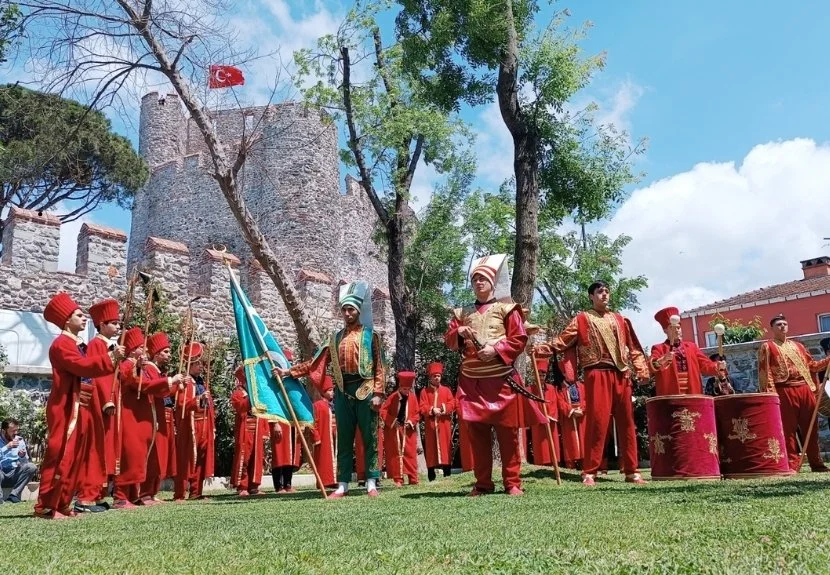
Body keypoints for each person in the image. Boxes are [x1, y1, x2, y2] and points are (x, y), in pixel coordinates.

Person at [534, 280, 650, 486]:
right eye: (599, 292)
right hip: (596, 373)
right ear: (591, 296)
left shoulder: (621, 319)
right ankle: (590, 471)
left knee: (627, 422)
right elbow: (562, 342)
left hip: (621, 373)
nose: (604, 295)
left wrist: (641, 369)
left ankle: (632, 471)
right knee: (597, 422)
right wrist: (539, 349)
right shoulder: (582, 319)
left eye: (606, 291)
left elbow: (633, 348)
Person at [277, 281, 386, 498]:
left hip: (366, 389)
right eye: (344, 310)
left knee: (370, 437)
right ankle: (343, 483)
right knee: (344, 438)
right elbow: (315, 363)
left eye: (351, 309)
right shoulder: (334, 339)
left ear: (357, 311)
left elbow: (380, 367)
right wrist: (289, 372)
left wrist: (378, 394)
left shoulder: (370, 335)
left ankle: (371, 482)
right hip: (343, 391)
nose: (347, 313)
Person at [35, 292, 124, 519]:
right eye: (79, 315)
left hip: (82, 405)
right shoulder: (61, 345)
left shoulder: (76, 344)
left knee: (76, 457)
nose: (84, 319)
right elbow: (82, 367)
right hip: (66, 406)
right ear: (66, 320)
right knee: (60, 454)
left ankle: (63, 504)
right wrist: (111, 359)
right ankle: (46, 506)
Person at [444, 254, 527, 496]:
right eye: (475, 280)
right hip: (472, 382)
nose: (479, 283)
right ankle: (482, 484)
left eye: (483, 279)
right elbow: (449, 341)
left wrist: (497, 349)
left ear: (492, 283)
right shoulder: (461, 312)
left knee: (508, 435)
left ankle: (512, 483)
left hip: (501, 380)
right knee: (477, 436)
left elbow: (519, 339)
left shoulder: (507, 309)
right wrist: (458, 331)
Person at [114, 328, 181, 508]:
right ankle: (121, 496)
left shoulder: (139, 365)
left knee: (138, 456)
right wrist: (169, 381)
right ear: (133, 348)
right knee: (130, 455)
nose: (145, 350)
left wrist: (172, 385)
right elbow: (137, 383)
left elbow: (152, 387)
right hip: (131, 416)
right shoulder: (128, 364)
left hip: (143, 416)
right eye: (141, 347)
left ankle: (134, 495)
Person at [758, 314, 830, 473]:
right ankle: (792, 464)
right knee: (788, 429)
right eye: (778, 325)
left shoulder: (799, 346)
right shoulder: (768, 346)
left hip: (805, 389)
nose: (782, 326)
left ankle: (816, 463)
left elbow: (812, 366)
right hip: (784, 389)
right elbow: (765, 372)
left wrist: (828, 360)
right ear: (772, 328)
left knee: (811, 427)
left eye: (784, 324)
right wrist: (771, 395)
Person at [75, 298, 120, 511]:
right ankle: (86, 495)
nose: (117, 326)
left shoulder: (112, 346)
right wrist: (107, 399)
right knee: (95, 448)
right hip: (101, 403)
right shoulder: (96, 345)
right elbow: (98, 375)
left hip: (110, 404)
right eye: (113, 323)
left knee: (106, 450)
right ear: (101, 325)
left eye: (118, 323)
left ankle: (99, 493)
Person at [138, 332, 177, 504]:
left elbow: (164, 392)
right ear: (157, 353)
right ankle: (145, 493)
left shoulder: (157, 371)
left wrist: (174, 385)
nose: (169, 355)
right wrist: (170, 381)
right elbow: (152, 389)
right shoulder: (148, 369)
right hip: (151, 414)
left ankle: (152, 492)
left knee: (158, 455)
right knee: (152, 454)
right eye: (166, 352)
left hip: (160, 415)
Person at [174, 343, 216, 500]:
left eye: (201, 364)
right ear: (189, 365)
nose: (201, 367)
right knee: (187, 458)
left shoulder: (200, 382)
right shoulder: (185, 382)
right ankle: (180, 493)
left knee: (201, 458)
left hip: (204, 423)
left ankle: (196, 492)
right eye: (197, 364)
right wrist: (199, 399)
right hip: (190, 424)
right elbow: (181, 404)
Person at [649, 307, 722, 396]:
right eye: (672, 328)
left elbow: (705, 365)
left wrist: (718, 366)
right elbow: (651, 367)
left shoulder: (691, 347)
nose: (676, 330)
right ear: (665, 331)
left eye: (678, 327)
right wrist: (663, 359)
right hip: (670, 395)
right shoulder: (658, 348)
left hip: (693, 392)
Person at [230, 365, 270, 497]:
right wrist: (250, 398)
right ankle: (242, 486)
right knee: (244, 457)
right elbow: (240, 408)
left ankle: (254, 486)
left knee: (257, 457)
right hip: (245, 429)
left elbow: (263, 411)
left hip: (257, 429)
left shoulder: (257, 394)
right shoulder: (238, 394)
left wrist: (265, 431)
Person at [381, 371, 420, 487]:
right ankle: (398, 479)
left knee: (410, 453)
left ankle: (413, 478)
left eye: (408, 389)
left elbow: (417, 414)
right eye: (404, 389)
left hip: (408, 431)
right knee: (395, 454)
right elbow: (383, 411)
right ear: (400, 387)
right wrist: (392, 421)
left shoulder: (412, 398)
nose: (406, 392)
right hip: (395, 430)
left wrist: (411, 421)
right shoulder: (392, 397)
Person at [418, 362, 455, 481]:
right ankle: (431, 473)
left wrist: (443, 408)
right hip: (431, 425)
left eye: (438, 376)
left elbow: (452, 403)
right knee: (431, 447)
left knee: (445, 446)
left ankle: (447, 472)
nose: (437, 378)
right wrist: (432, 409)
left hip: (444, 424)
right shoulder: (425, 391)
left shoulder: (447, 390)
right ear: (430, 377)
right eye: (434, 376)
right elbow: (422, 406)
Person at [527, 358, 559, 467]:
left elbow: (554, 402)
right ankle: (540, 464)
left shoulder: (551, 388)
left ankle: (553, 464)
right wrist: (541, 416)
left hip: (550, 421)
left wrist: (550, 415)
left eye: (543, 375)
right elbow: (531, 406)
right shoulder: (530, 389)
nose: (541, 378)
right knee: (540, 445)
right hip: (538, 422)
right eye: (539, 375)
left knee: (552, 444)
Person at [307, 375, 337, 490]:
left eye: (332, 390)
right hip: (323, 437)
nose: (332, 393)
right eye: (329, 390)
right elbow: (312, 423)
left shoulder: (335, 405)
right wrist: (316, 437)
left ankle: (334, 480)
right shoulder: (317, 405)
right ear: (323, 392)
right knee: (323, 460)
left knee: (334, 458)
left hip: (334, 436)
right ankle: (323, 481)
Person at [0, 419, 37, 503]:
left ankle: (13, 495)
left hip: (14, 473)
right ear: (3, 430)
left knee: (31, 467)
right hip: (1, 473)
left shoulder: (19, 440)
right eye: (13, 431)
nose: (16, 433)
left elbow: (25, 462)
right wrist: (6, 447)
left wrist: (22, 456)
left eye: (17, 430)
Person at [557, 379, 586, 469]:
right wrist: (572, 411)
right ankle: (570, 466)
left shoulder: (581, 386)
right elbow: (560, 402)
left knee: (583, 440)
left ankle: (584, 465)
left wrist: (582, 409)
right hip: (569, 417)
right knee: (570, 440)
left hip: (581, 415)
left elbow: (586, 398)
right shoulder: (561, 388)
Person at [270, 421, 301, 494]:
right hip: (280, 422)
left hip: (292, 424)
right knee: (279, 454)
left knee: (290, 455)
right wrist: (276, 423)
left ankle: (287, 484)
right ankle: (278, 486)